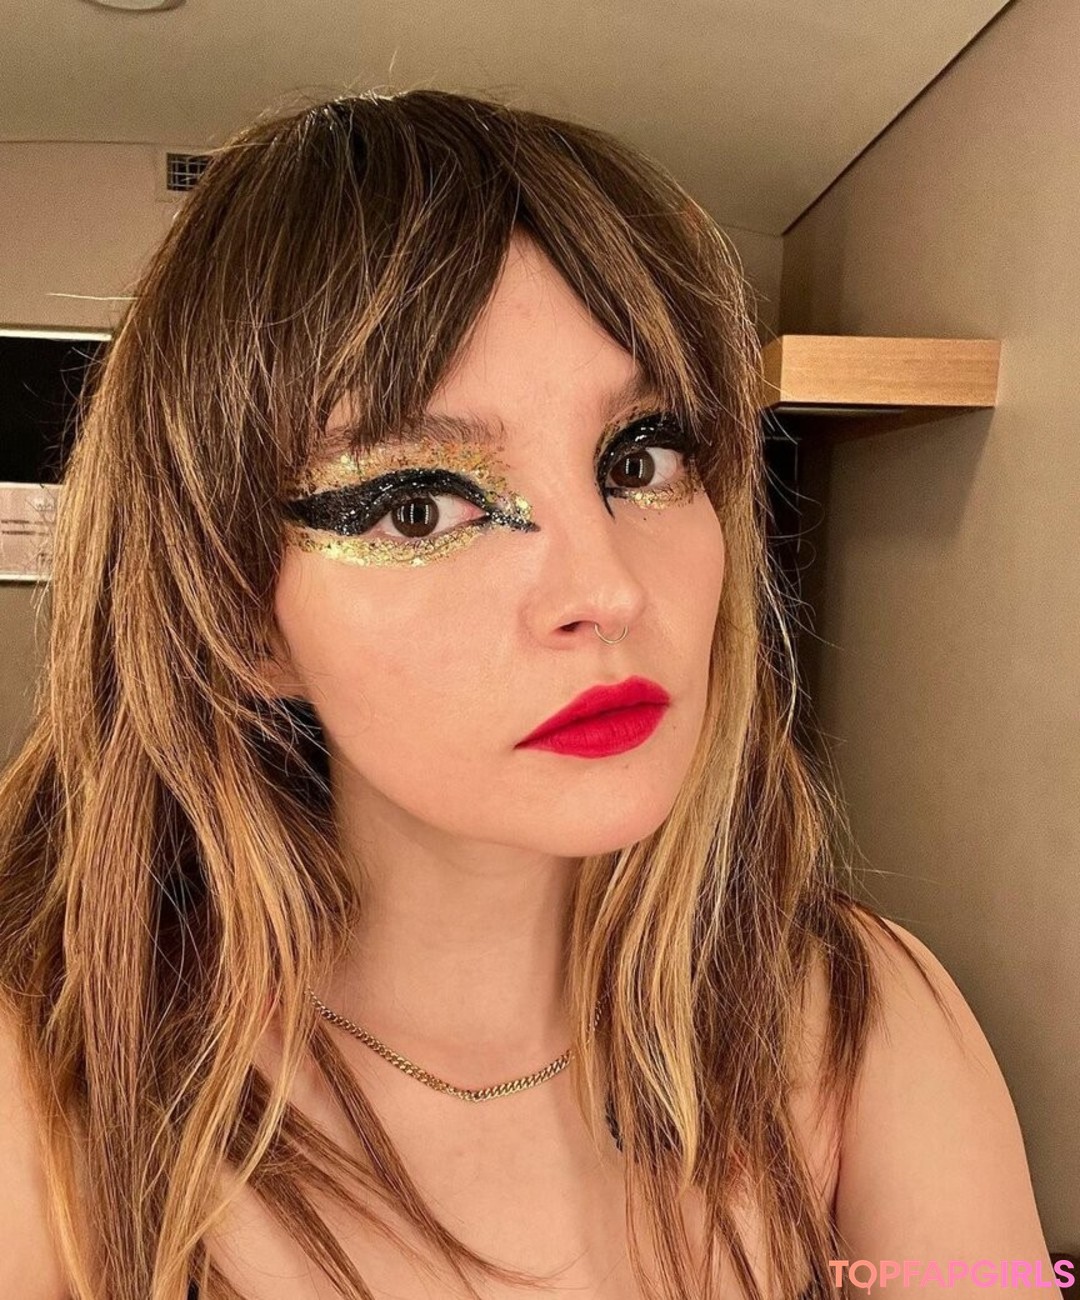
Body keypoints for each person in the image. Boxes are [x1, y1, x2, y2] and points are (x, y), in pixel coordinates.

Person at [0, 89, 1062, 1300]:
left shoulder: (864, 1020)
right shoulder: (53, 1084)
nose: (605, 588)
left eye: (639, 457)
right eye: (418, 506)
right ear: (240, 612)